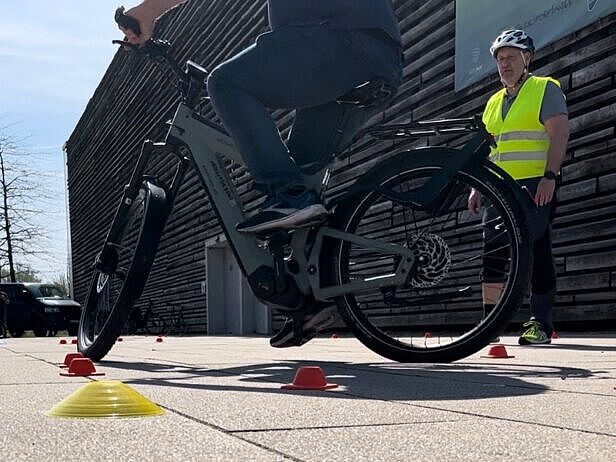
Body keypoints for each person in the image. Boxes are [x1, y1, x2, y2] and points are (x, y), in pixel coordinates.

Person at [118, 0, 403, 347]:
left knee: (225, 83)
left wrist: (149, 11)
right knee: (302, 172)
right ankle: (312, 300)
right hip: (375, 57)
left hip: (341, 41)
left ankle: (290, 195)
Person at [468, 30, 569, 345]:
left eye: (511, 56)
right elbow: (489, 148)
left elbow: (559, 133)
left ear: (527, 58)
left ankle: (540, 323)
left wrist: (550, 176)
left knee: (536, 248)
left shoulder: (544, 89)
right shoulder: (494, 102)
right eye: (500, 59)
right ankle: (490, 323)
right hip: (499, 188)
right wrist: (476, 187)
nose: (504, 63)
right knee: (493, 252)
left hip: (534, 184)